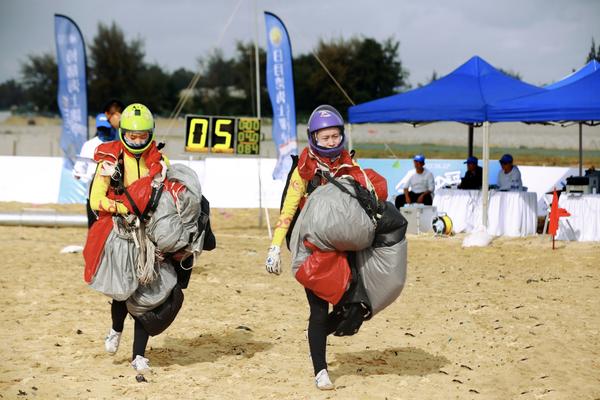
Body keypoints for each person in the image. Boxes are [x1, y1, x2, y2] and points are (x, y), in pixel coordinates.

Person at [264, 105, 370, 390]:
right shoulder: (303, 171)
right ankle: (320, 370)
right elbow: (288, 210)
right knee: (319, 310)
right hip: (311, 251)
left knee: (353, 307)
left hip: (343, 248)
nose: (332, 142)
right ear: (314, 138)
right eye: (325, 138)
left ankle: (321, 333)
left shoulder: (351, 166)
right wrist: (275, 247)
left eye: (335, 136)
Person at [88, 103, 167, 374]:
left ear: (150, 134)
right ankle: (116, 328)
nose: (137, 141)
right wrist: (123, 207)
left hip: (149, 232)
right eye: (132, 136)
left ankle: (138, 355)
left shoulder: (160, 162)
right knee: (122, 291)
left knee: (144, 294)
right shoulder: (109, 161)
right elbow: (95, 199)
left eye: (142, 136)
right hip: (120, 232)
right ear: (122, 133)